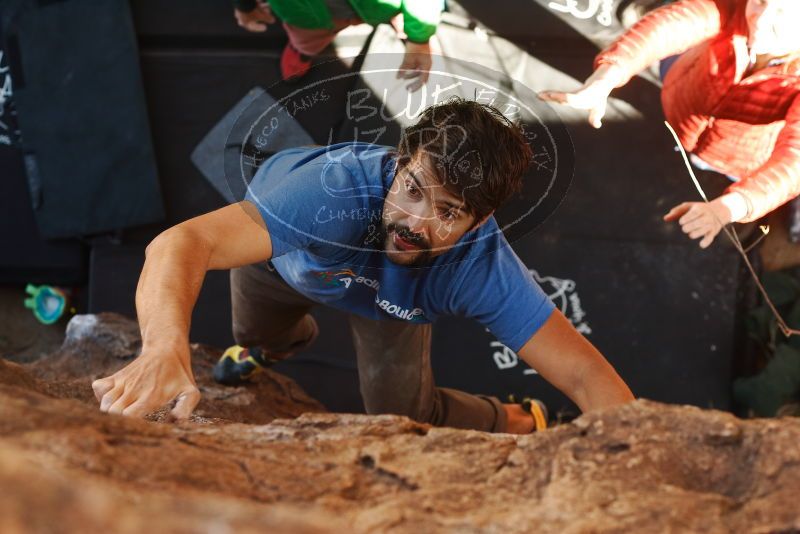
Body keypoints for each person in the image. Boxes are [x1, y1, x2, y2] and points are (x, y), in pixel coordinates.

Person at [91, 98, 634, 434]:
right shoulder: (332, 192)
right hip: (286, 263)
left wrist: (638, 454)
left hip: (389, 304)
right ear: (397, 165)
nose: (416, 223)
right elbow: (180, 242)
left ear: (480, 220)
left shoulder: (481, 266)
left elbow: (587, 375)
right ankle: (276, 346)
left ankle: (521, 418)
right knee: (252, 336)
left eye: (448, 212)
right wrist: (163, 347)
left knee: (406, 420)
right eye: (414, 190)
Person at [539, 0, 800, 249]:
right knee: (667, 51)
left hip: (737, 157)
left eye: (781, 14)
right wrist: (608, 76)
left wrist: (733, 205)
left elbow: (794, 161)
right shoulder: (732, 8)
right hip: (680, 93)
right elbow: (671, 26)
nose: (761, 20)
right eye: (761, 2)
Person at [232, 0, 441, 89]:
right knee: (307, 39)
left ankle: (404, 21)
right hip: (306, 13)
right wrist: (244, 5)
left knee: (409, 15)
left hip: (386, 5)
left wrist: (419, 36)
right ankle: (303, 51)